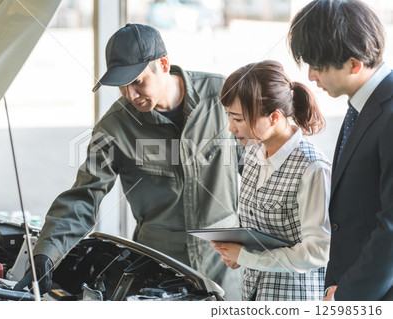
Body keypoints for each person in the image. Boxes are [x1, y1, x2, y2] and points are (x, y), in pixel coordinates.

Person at [28, 23, 244, 300]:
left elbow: (259, 174)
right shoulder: (115, 127)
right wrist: (47, 252)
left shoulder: (223, 98)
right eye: (121, 85)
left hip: (225, 268)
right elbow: (85, 195)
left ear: (163, 64)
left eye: (137, 81)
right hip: (159, 275)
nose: (130, 95)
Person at [288, 0, 393, 301]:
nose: (310, 76)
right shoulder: (361, 106)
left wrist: (348, 296)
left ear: (354, 63)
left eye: (317, 66)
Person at [211, 60, 331, 301]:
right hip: (254, 295)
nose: (231, 127)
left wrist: (246, 256)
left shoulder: (313, 168)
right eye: (229, 117)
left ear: (274, 117)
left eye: (238, 119)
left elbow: (318, 252)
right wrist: (236, 253)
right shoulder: (253, 152)